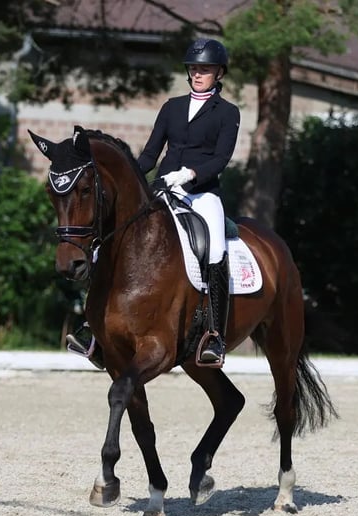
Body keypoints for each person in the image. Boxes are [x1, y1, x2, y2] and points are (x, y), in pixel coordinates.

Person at [67, 38, 240, 367]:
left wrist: (189, 174)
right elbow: (148, 155)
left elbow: (221, 158)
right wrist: (128, 177)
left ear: (219, 73)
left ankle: (215, 335)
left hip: (202, 193)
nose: (198, 74)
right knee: (111, 241)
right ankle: (93, 326)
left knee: (216, 248)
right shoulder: (171, 107)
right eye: (194, 69)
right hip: (163, 188)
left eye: (205, 69)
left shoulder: (228, 113)